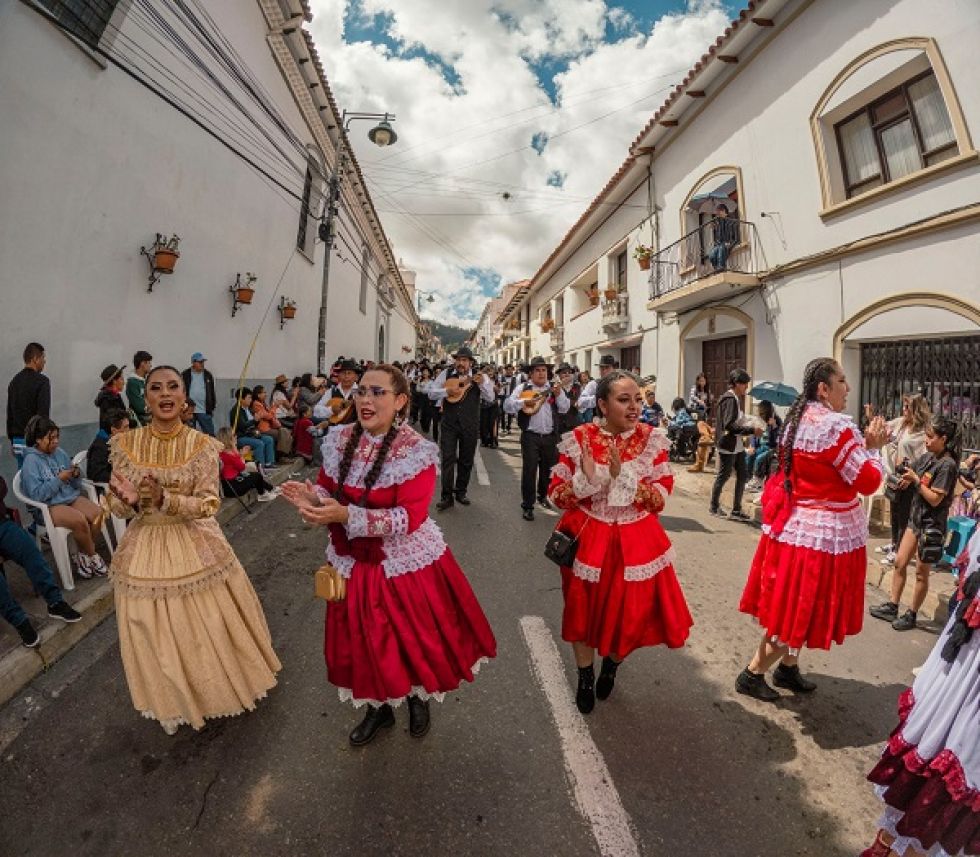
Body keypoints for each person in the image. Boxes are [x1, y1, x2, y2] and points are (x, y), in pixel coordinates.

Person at [280, 364, 496, 745]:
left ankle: (417, 698)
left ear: (400, 402)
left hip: (400, 564)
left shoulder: (415, 451)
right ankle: (377, 709)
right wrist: (312, 499)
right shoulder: (340, 438)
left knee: (408, 637)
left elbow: (408, 518)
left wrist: (345, 514)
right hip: (351, 561)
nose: (366, 399)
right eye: (362, 391)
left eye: (378, 392)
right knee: (362, 640)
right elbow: (330, 490)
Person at [103, 366, 281, 733]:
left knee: (207, 627)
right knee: (152, 633)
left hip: (194, 542)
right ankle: (172, 700)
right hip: (145, 548)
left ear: (184, 397)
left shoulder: (200, 445)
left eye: (173, 387)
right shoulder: (126, 444)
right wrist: (127, 500)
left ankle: (213, 692)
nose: (166, 394)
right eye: (156, 388)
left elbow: (209, 504)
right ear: (145, 398)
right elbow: (118, 507)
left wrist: (166, 499)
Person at [735, 357, 886, 701]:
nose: (848, 388)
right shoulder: (836, 427)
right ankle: (752, 672)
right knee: (798, 609)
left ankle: (787, 668)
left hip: (796, 526)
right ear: (824, 388)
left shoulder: (796, 419)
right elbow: (866, 481)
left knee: (800, 604)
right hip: (821, 536)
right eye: (843, 381)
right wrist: (875, 451)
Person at [547, 370, 693, 714]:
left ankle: (611, 665)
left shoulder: (652, 439)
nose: (634, 407)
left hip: (636, 540)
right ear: (602, 404)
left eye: (637, 399)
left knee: (629, 613)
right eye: (624, 400)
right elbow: (556, 495)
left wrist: (622, 476)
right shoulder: (579, 438)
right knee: (581, 611)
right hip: (588, 538)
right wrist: (590, 481)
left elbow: (659, 499)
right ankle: (584, 676)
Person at [861, 528, 980, 857]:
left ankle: (887, 848)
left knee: (941, 759)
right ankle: (889, 848)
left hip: (958, 668)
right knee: (943, 760)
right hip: (962, 668)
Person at [869, 416, 962, 632]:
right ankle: (892, 605)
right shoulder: (929, 457)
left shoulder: (947, 465)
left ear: (944, 439)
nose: (926, 441)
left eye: (931, 437)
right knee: (900, 562)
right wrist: (905, 472)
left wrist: (916, 481)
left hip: (931, 527)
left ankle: (911, 613)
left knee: (921, 572)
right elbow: (912, 470)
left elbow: (935, 499)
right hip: (915, 520)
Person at [20, 416, 109, 579]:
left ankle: (83, 555)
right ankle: (94, 556)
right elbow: (37, 495)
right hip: (48, 506)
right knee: (79, 520)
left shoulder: (59, 453)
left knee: (98, 514)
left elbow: (75, 484)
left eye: (56, 437)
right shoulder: (30, 462)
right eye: (50, 438)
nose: (55, 442)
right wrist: (59, 479)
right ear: (38, 440)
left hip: (68, 497)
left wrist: (75, 474)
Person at [0, 472, 82, 647]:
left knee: (31, 552)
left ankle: (55, 602)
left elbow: (2, 487)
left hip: (2, 526)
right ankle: (21, 623)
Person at [504, 356, 569, 522]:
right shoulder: (523, 388)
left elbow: (564, 408)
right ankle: (528, 505)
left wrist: (560, 394)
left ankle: (542, 496)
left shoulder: (554, 388)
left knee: (548, 469)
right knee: (529, 471)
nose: (542, 373)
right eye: (538, 370)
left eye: (544, 370)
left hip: (550, 436)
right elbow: (507, 405)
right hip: (530, 436)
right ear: (530, 374)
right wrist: (525, 401)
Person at [430, 347, 495, 511]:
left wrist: (483, 385)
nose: (460, 363)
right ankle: (446, 496)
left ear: (470, 362)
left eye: (464, 360)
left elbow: (490, 398)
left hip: (470, 425)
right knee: (448, 459)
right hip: (449, 424)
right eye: (458, 359)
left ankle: (460, 492)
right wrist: (446, 391)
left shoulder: (481, 377)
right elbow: (431, 393)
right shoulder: (446, 374)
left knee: (466, 460)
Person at [875, 394, 930, 566]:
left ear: (916, 410)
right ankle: (893, 544)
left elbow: (923, 459)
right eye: (904, 406)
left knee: (904, 515)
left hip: (909, 477)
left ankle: (899, 550)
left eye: (908, 407)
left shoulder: (922, 433)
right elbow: (886, 427)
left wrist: (912, 476)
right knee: (895, 512)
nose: (904, 410)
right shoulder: (903, 425)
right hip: (896, 475)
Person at [710, 368, 762, 522]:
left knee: (742, 475)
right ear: (737, 384)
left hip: (736, 444)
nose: (746, 387)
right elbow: (729, 425)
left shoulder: (734, 399)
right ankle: (713, 506)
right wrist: (751, 429)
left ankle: (737, 509)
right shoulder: (730, 399)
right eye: (745, 384)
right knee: (724, 475)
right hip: (728, 443)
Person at [6, 342, 50, 467]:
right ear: (35, 359)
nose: (44, 362)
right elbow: (43, 415)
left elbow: (10, 415)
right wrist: (45, 440)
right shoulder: (42, 381)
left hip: (18, 441)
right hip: (35, 441)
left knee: (23, 477)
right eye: (43, 358)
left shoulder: (14, 382)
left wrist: (12, 441)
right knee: (39, 478)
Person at [217, 427, 279, 502]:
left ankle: (271, 489)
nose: (236, 436)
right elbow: (242, 467)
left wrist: (238, 453)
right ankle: (262, 495)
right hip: (234, 486)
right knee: (257, 476)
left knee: (252, 476)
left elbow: (234, 465)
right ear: (229, 439)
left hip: (226, 486)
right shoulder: (231, 454)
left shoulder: (221, 452)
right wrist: (241, 454)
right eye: (234, 435)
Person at [745, 401, 783, 491]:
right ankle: (750, 479)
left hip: (771, 447)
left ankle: (757, 481)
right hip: (760, 446)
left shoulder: (777, 420)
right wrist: (753, 446)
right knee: (749, 456)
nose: (760, 413)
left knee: (759, 458)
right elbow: (753, 435)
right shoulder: (759, 420)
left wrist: (774, 427)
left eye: (761, 411)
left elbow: (778, 439)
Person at [87, 408, 130, 484]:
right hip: (107, 488)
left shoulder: (118, 442)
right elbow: (97, 475)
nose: (129, 431)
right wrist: (124, 476)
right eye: (126, 427)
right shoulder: (99, 447)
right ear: (114, 430)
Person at [250, 385, 292, 459]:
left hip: (270, 427)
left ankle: (283, 454)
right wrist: (275, 407)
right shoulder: (256, 404)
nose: (266, 394)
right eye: (264, 393)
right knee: (282, 434)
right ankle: (281, 456)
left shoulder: (263, 403)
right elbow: (268, 416)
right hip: (263, 429)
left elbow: (269, 414)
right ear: (258, 395)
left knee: (286, 431)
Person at [181, 353, 217, 436]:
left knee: (210, 434)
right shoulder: (185, 374)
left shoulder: (208, 375)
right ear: (193, 362)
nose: (202, 364)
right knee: (190, 434)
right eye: (200, 362)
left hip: (204, 409)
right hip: (189, 409)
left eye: (203, 362)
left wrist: (212, 406)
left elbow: (211, 391)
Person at [577, 355, 616, 420]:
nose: (604, 371)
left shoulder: (621, 383)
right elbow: (581, 401)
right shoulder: (594, 384)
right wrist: (597, 398)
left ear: (613, 369)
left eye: (607, 367)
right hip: (601, 421)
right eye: (602, 368)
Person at [325, 360, 360, 426]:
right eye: (343, 373)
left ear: (356, 377)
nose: (346, 376)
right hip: (333, 431)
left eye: (349, 373)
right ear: (339, 376)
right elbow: (316, 410)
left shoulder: (360, 392)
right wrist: (331, 410)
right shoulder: (331, 391)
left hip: (354, 432)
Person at [708, 203, 739, 271]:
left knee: (721, 249)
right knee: (711, 255)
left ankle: (721, 267)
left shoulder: (731, 221)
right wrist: (714, 229)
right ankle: (716, 269)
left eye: (719, 212)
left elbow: (736, 236)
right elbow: (718, 238)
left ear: (724, 211)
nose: (717, 215)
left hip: (728, 243)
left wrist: (731, 243)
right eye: (717, 213)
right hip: (719, 244)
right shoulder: (718, 224)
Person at [126, 351, 153, 426]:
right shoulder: (132, 382)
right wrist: (154, 408)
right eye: (149, 363)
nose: (151, 365)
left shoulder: (146, 380)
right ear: (142, 363)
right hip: (140, 422)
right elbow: (140, 407)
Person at [556, 363, 582, 434]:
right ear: (559, 375)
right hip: (559, 424)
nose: (567, 374)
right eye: (564, 373)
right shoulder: (556, 386)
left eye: (569, 373)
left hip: (574, 422)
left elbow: (579, 401)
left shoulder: (577, 386)